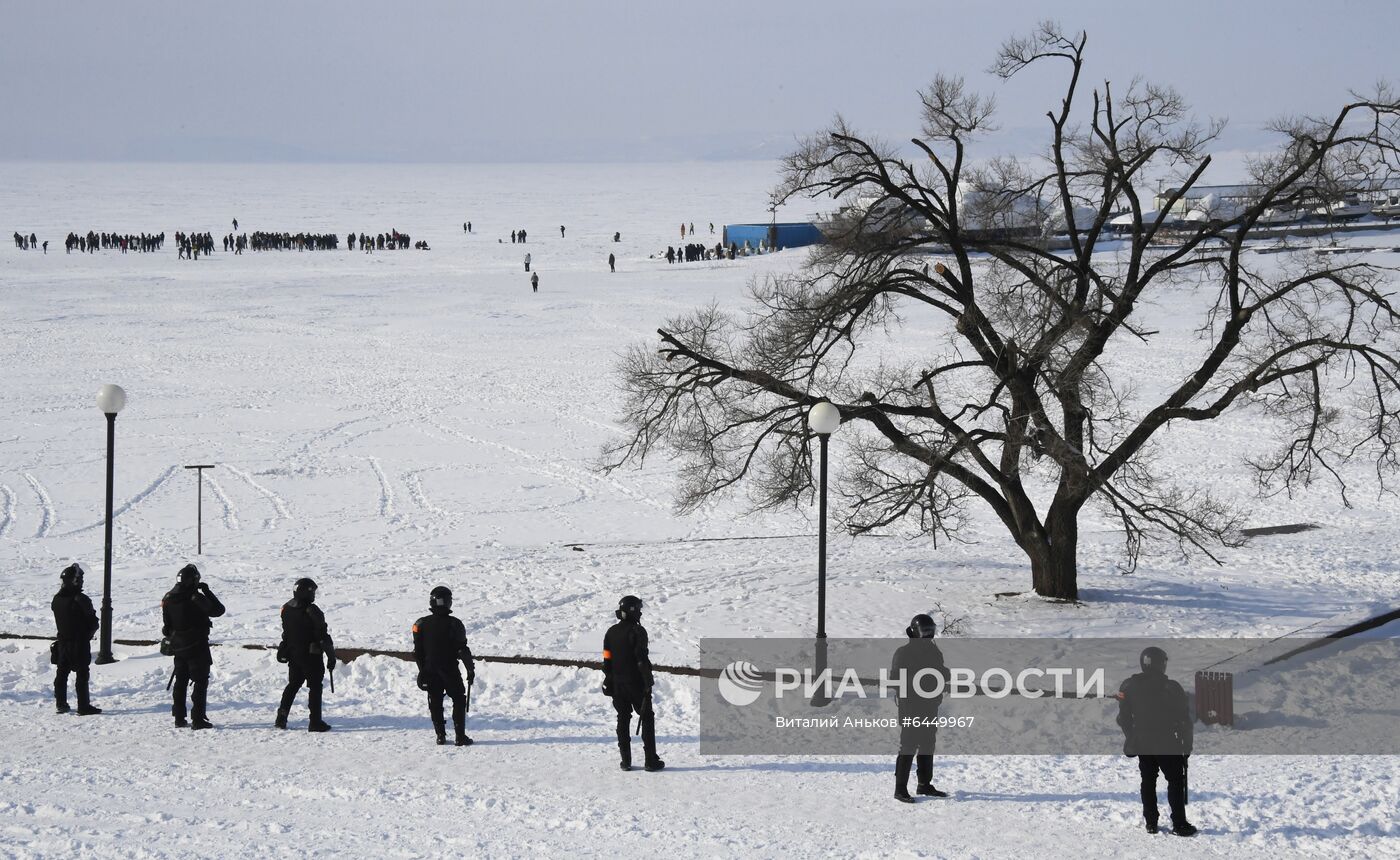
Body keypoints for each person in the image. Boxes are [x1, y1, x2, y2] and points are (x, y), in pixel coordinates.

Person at [1117, 647, 1197, 836]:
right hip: (1168, 742)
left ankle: (1151, 822)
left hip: (1143, 742)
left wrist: (1132, 737)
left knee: (1148, 781)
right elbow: (1185, 721)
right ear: (1161, 664)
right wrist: (1187, 746)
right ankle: (1179, 824)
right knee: (1175, 782)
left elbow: (1124, 718)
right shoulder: (1172, 687)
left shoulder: (1127, 686)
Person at [602, 595, 664, 772]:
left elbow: (606, 658)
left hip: (617, 684)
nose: (641, 612)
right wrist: (648, 682)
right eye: (638, 609)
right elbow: (641, 660)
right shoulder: (638, 631)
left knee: (623, 718)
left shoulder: (611, 631)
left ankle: (625, 760)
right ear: (632, 611)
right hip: (635, 683)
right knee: (647, 718)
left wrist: (609, 677)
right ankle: (650, 760)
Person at [161, 564, 226, 730]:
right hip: (197, 645)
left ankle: (179, 717)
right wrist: (207, 592)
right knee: (201, 681)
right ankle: (198, 718)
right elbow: (218, 610)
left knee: (180, 681)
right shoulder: (194, 597)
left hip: (178, 646)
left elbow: (166, 627)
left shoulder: (168, 597)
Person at [891, 614, 948, 802]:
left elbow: (941, 671)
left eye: (931, 631)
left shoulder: (934, 651)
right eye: (925, 631)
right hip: (910, 706)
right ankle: (900, 789)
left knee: (927, 744)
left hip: (930, 704)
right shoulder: (903, 652)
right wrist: (921, 679)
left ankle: (924, 784)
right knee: (908, 745)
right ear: (915, 632)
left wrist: (941, 676)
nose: (929, 635)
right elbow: (895, 679)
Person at [412, 586, 476, 745]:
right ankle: (460, 736)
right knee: (459, 700)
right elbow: (462, 650)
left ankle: (440, 735)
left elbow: (417, 652)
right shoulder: (455, 624)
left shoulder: (420, 624)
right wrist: (470, 669)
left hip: (430, 669)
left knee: (435, 700)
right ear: (447, 602)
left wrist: (423, 670)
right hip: (449, 669)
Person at [275, 578, 336, 732]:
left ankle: (281, 718)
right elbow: (322, 636)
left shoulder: (286, 608)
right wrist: (331, 655)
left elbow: (286, 634)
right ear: (305, 593)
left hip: (294, 654)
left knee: (293, 685)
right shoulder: (312, 610)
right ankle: (315, 721)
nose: (314, 595)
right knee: (315, 687)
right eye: (313, 592)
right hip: (311, 655)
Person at [52, 563, 101, 715]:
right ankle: (83, 706)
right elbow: (93, 622)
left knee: (62, 673)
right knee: (82, 674)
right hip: (78, 642)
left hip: (63, 642)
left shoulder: (57, 599)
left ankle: (61, 703)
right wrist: (87, 635)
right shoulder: (81, 599)